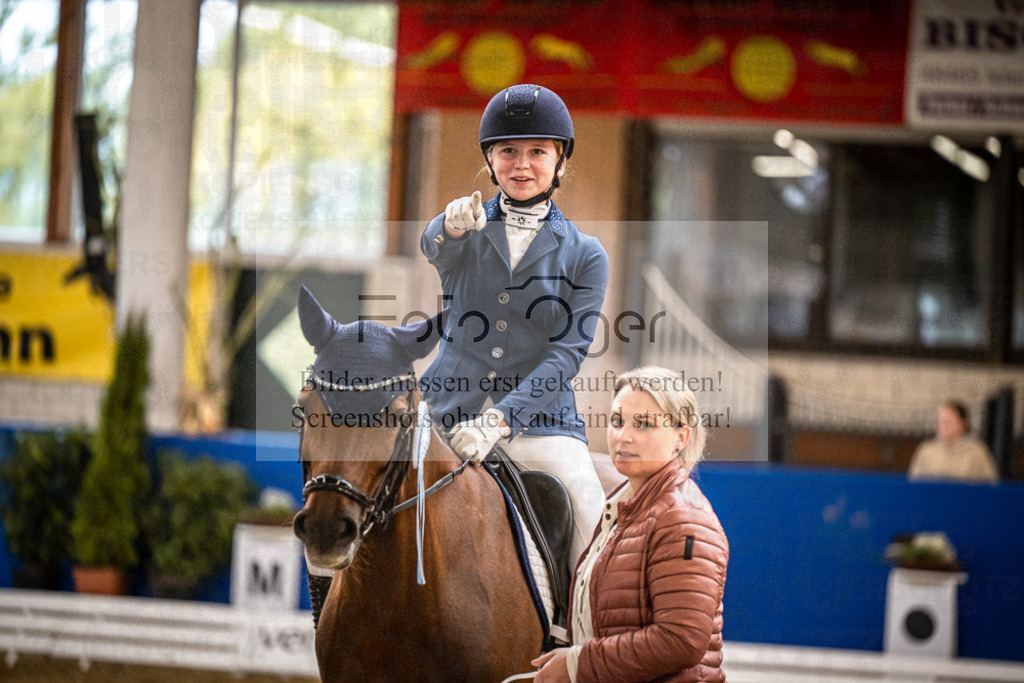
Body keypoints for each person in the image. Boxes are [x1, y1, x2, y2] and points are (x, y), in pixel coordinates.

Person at [420, 83, 609, 565]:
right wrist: (450, 224)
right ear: (490, 160)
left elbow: (565, 356)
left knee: (589, 506)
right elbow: (434, 248)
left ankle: (581, 632)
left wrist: (498, 419)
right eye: (508, 151)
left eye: (537, 152)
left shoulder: (586, 254)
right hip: (446, 407)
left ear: (560, 161)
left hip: (539, 422)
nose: (522, 164)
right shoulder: (467, 230)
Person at [532, 366, 729, 683]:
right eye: (617, 421)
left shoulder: (682, 518)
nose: (624, 435)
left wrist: (577, 664)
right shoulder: (624, 508)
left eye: (644, 424)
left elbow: (681, 641)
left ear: (680, 438)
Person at [907, 400, 999, 484]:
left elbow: (990, 483)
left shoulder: (977, 451)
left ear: (963, 423)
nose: (943, 426)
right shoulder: (926, 450)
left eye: (948, 421)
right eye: (940, 421)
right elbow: (914, 482)